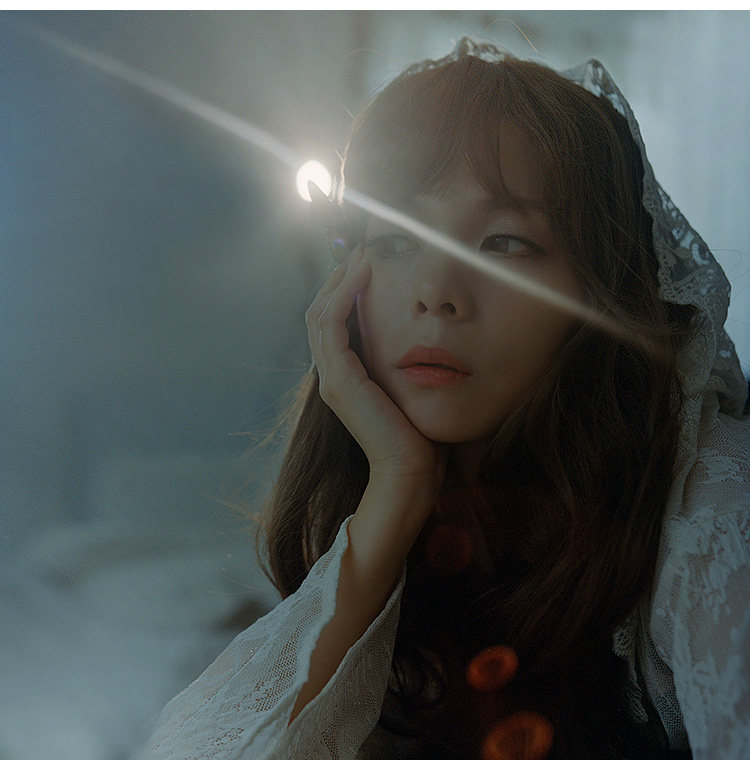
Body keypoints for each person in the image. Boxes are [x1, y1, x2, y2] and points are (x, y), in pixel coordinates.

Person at [141, 39, 749, 759]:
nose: (437, 293)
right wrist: (396, 488)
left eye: (504, 242)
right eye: (397, 239)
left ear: (598, 293)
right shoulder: (389, 502)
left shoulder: (710, 511)